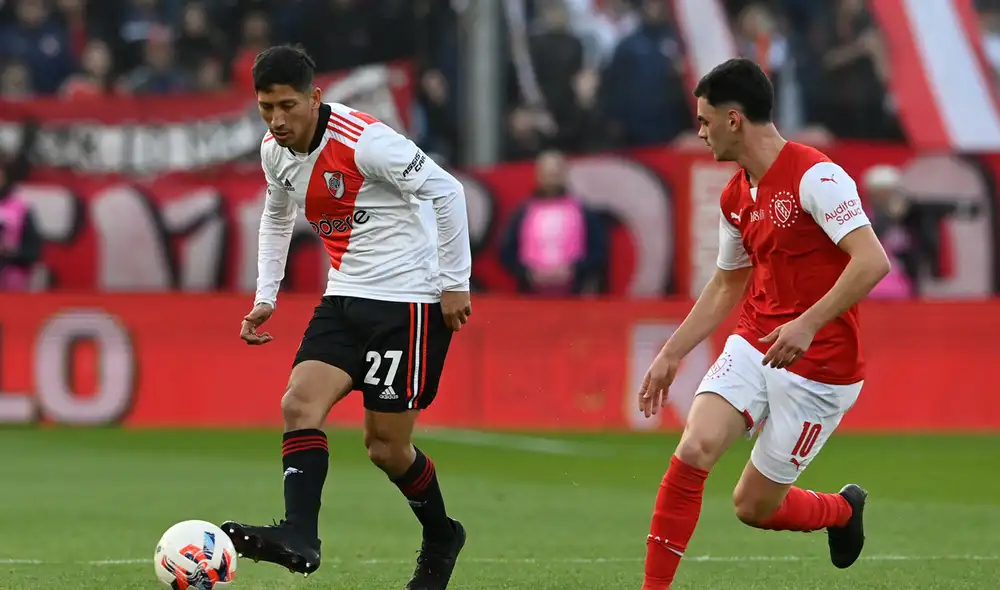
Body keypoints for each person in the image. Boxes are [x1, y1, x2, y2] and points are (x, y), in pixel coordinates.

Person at [220, 45, 472, 590]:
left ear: (315, 98)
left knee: (386, 447)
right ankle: (299, 535)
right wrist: (266, 295)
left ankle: (442, 534)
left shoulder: (366, 143)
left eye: (287, 106)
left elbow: (447, 190)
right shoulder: (274, 152)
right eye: (266, 108)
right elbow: (276, 214)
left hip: (408, 301)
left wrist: (455, 283)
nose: (277, 120)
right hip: (344, 296)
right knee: (298, 404)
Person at [638, 58, 891, 589]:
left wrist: (806, 324)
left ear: (733, 119)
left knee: (752, 506)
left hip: (822, 367)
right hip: (756, 341)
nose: (699, 132)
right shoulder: (735, 195)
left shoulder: (817, 177)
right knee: (694, 447)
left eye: (705, 120)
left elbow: (872, 261)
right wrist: (671, 353)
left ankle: (842, 511)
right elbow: (726, 284)